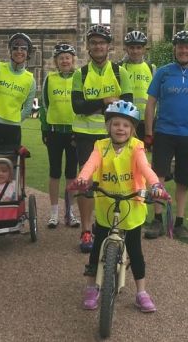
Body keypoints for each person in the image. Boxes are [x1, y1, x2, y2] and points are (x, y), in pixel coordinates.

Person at [74, 101, 167, 313]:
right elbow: (91, 164)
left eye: (125, 125)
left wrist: (155, 185)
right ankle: (91, 286)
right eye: (116, 124)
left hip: (131, 203)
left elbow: (145, 167)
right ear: (108, 126)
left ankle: (141, 292)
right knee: (97, 247)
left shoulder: (137, 146)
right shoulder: (100, 146)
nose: (120, 129)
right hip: (107, 202)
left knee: (135, 250)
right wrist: (82, 178)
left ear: (132, 129)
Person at [143, 30, 188, 242]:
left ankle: (180, 222)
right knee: (158, 177)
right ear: (174, 49)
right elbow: (151, 103)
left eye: (187, 46)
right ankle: (157, 219)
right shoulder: (163, 73)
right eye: (180, 46)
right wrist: (148, 132)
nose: (183, 50)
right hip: (165, 132)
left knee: (185, 180)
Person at [71, 25, 133, 252]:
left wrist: (95, 104)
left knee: (112, 181)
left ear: (109, 46)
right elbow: (77, 107)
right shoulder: (81, 74)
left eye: (102, 42)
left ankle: (108, 224)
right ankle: (86, 230)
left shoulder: (120, 72)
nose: (98, 46)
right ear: (88, 46)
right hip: (86, 135)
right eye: (94, 42)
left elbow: (127, 105)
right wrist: (106, 100)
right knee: (87, 183)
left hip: (112, 136)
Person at [40, 43, 79, 229]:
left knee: (72, 174)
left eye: (68, 57)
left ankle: (69, 212)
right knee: (54, 172)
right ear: (56, 61)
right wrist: (45, 129)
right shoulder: (50, 79)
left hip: (73, 133)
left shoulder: (79, 77)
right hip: (54, 132)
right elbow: (44, 105)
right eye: (61, 57)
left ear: (73, 60)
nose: (65, 60)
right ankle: (54, 213)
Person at [0, 32, 36, 152]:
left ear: (28, 53)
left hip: (13, 129)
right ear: (10, 51)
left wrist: (15, 120)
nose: (19, 51)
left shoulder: (30, 80)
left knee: (10, 166)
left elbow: (27, 109)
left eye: (23, 48)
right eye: (15, 48)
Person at [118, 31, 155, 140]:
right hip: (125, 118)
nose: (135, 51)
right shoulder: (119, 67)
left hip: (146, 120)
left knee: (141, 154)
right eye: (132, 47)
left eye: (138, 47)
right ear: (126, 49)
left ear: (144, 49)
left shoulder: (151, 68)